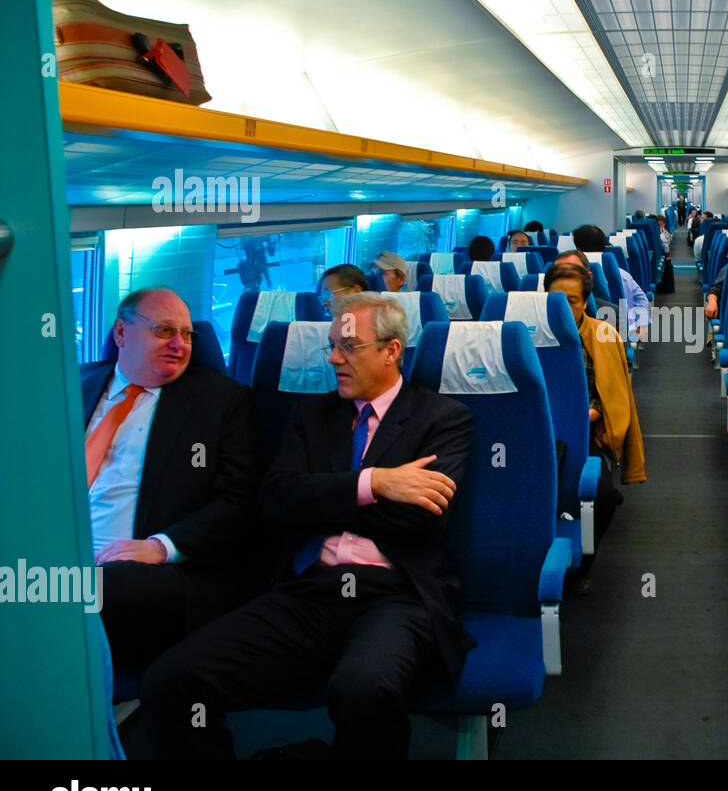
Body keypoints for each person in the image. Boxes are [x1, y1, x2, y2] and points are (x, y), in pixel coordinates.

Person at [138, 293, 475, 758]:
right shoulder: (313, 414)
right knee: (172, 681)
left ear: (391, 350)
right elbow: (277, 499)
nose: (334, 358)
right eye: (331, 345)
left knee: (363, 689)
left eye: (349, 347)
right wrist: (375, 482)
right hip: (309, 589)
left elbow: (421, 518)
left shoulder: (443, 419)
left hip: (396, 594)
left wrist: (325, 494)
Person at [80, 288, 258, 672]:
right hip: (54, 549)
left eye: (188, 334)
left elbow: (239, 503)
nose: (180, 344)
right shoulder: (73, 385)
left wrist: (163, 546)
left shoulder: (220, 402)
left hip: (149, 565)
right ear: (121, 333)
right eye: (164, 331)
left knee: (55, 592)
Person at [544, 264, 646, 593]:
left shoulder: (603, 335)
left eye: (572, 301)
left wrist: (584, 415)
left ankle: (582, 566)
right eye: (555, 300)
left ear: (586, 302)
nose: (564, 307)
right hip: (533, 433)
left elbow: (612, 396)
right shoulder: (526, 335)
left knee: (599, 495)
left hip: (584, 432)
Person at [573, 224, 649, 343]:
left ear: (578, 250)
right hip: (621, 335)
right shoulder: (621, 275)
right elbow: (642, 300)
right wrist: (638, 331)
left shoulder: (568, 279)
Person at [554, 249, 615, 318]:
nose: (565, 280)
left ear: (588, 277)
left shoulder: (612, 315)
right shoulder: (542, 311)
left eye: (572, 274)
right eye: (559, 274)